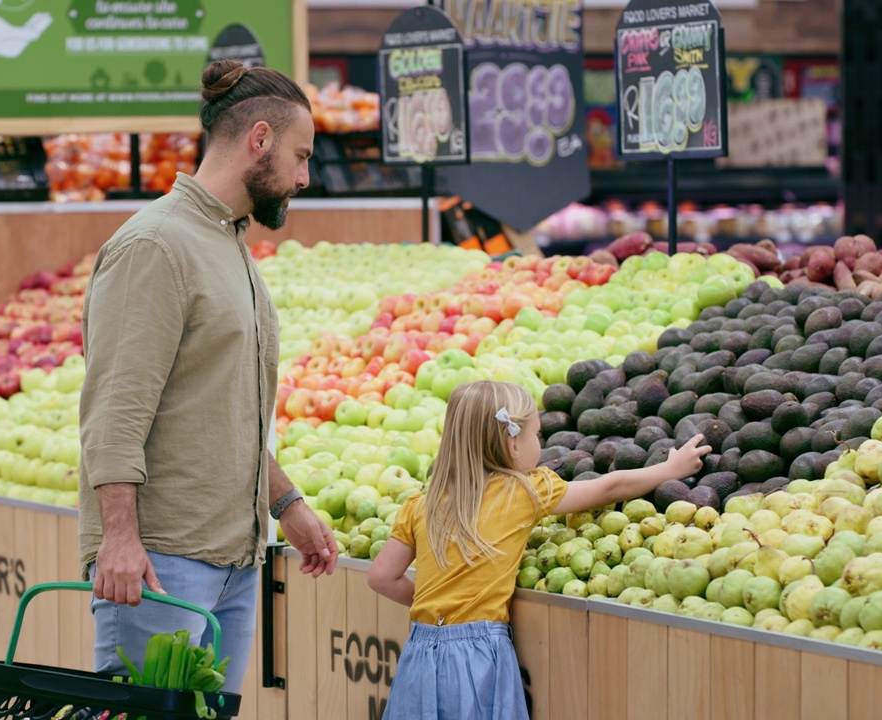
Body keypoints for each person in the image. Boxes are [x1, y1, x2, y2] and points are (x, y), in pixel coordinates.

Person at [77, 59, 338, 695]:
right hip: (160, 561)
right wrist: (117, 538)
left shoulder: (226, 244)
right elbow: (116, 410)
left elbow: (223, 408)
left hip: (232, 558)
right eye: (300, 157)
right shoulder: (157, 246)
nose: (303, 178)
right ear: (259, 139)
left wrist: (285, 502)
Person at [368, 380, 709, 718]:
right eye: (536, 434)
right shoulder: (524, 492)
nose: (540, 443)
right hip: (479, 655)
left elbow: (381, 577)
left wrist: (438, 600)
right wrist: (670, 469)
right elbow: (609, 487)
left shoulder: (419, 505)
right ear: (512, 443)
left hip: (420, 652)